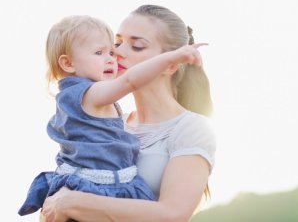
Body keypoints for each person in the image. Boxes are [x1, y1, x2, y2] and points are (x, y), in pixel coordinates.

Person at [18, 14, 206, 220]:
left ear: (171, 66)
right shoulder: (93, 100)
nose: (116, 54)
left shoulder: (190, 129)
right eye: (115, 44)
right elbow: (128, 82)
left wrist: (72, 203)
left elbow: (172, 215)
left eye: (137, 46)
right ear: (68, 63)